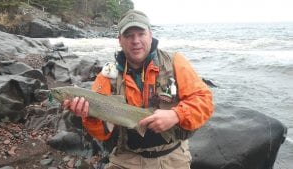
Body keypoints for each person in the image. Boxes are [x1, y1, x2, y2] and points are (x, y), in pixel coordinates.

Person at [64, 9, 214, 169]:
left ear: (150, 34)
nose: (135, 41)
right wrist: (90, 116)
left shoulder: (175, 62)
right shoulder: (108, 77)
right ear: (119, 40)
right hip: (127, 159)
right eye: (129, 35)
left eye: (141, 34)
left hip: (173, 157)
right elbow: (102, 134)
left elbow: (204, 100)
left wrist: (176, 114)